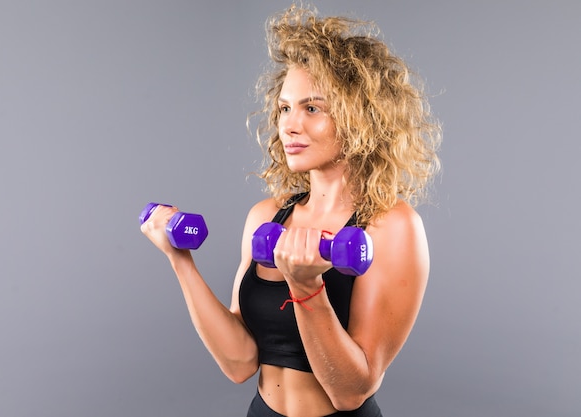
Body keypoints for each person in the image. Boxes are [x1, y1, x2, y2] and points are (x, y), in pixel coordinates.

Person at [141, 4, 441, 416]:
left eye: (312, 108)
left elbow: (352, 391)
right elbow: (240, 362)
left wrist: (306, 288)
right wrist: (181, 261)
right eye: (285, 108)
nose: (289, 125)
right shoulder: (267, 216)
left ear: (361, 119)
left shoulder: (390, 227)